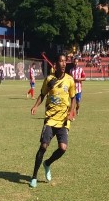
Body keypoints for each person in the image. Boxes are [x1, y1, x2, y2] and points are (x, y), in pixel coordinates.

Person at [29, 54, 76, 188]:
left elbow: (73, 98)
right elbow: (43, 94)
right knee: (43, 146)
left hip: (63, 120)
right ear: (55, 64)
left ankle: (47, 163)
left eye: (65, 61)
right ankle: (34, 177)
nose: (63, 63)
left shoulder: (70, 80)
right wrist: (35, 106)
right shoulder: (49, 80)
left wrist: (71, 112)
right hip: (50, 119)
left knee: (63, 148)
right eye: (61, 61)